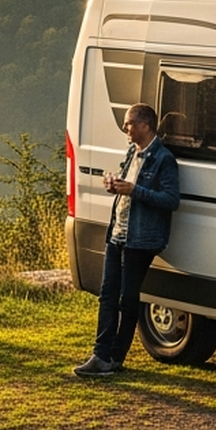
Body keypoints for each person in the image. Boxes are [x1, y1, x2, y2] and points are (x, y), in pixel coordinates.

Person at [73, 103, 180, 377]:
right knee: (108, 295)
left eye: (129, 123)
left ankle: (113, 357)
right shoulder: (133, 151)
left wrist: (134, 190)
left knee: (126, 298)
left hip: (141, 240)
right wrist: (115, 186)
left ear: (145, 125)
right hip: (118, 234)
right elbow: (130, 188)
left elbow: (171, 200)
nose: (125, 128)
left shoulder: (163, 159)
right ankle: (102, 355)